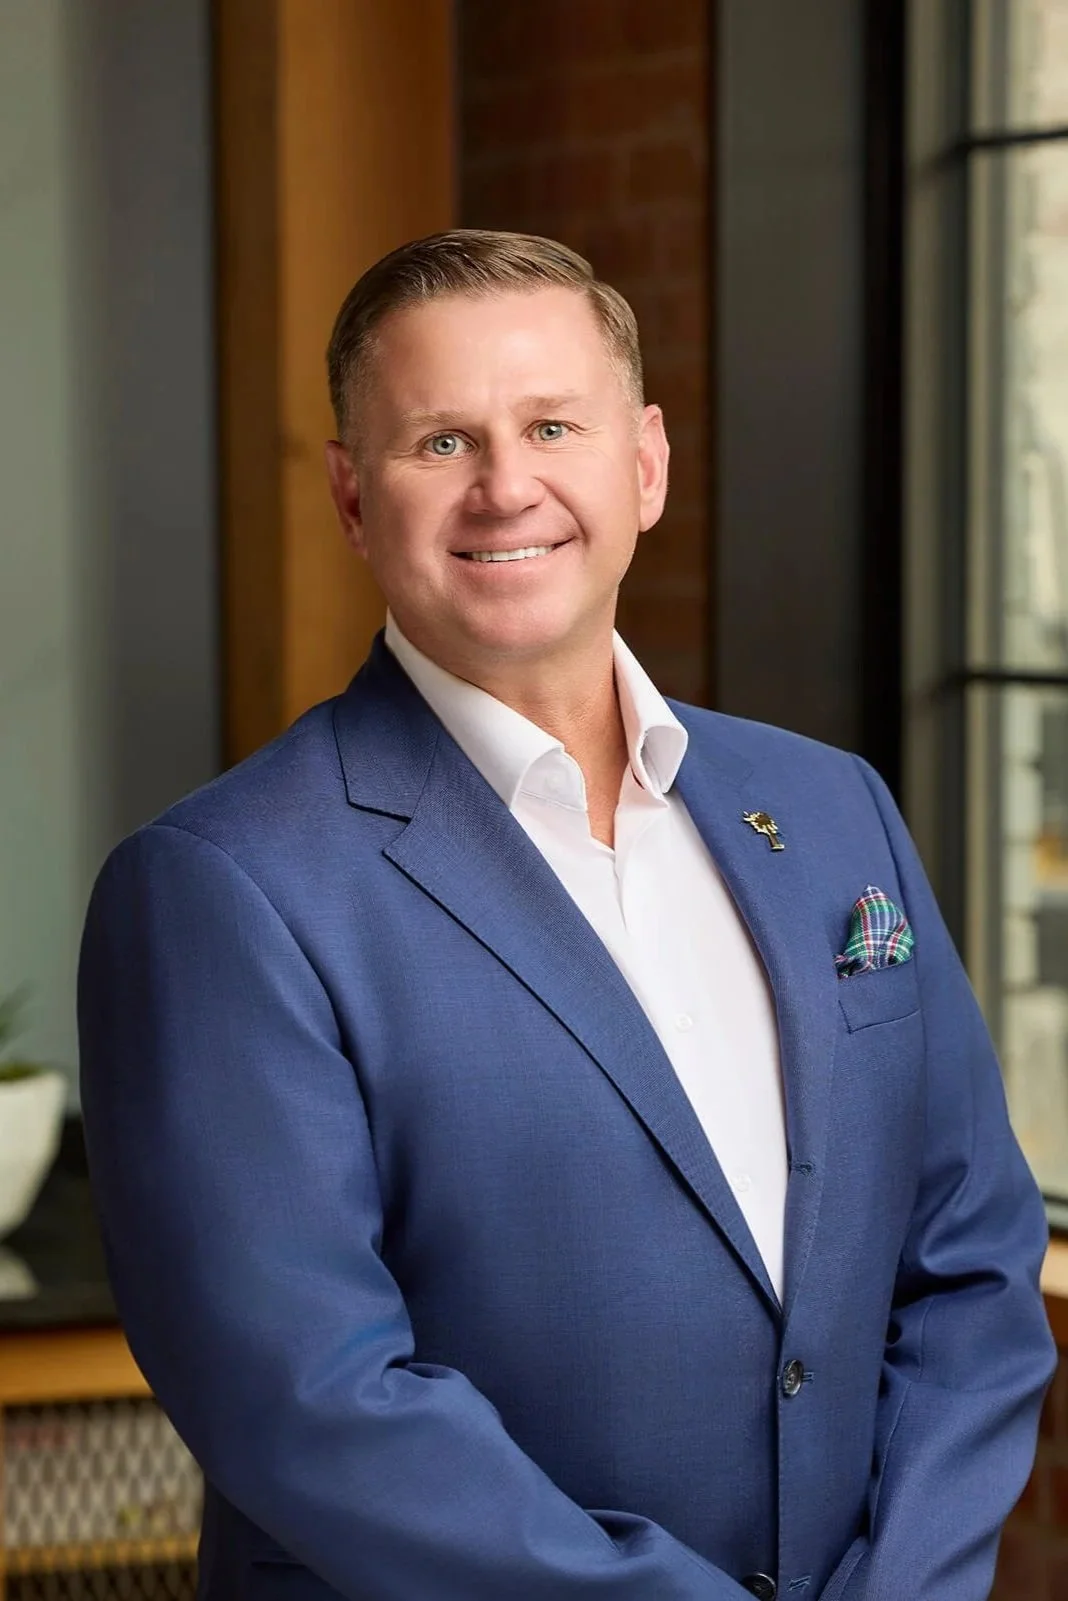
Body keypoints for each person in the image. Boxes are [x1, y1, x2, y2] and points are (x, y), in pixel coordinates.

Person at [77, 229, 1056, 1601]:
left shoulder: (833, 808)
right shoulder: (220, 889)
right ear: (354, 498)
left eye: (552, 426)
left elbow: (972, 1264)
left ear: (645, 465)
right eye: (441, 442)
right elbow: (313, 1404)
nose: (506, 486)